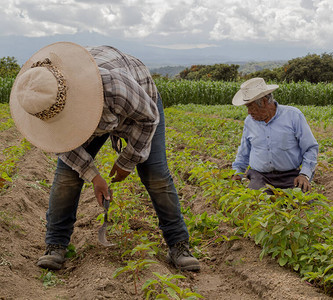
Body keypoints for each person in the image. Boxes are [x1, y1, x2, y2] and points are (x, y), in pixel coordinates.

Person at [9, 42, 200, 271]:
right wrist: (94, 177)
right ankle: (56, 244)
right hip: (97, 114)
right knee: (67, 177)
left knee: (155, 174)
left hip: (138, 107)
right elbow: (63, 146)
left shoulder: (113, 86)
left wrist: (128, 160)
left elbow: (149, 119)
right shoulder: (44, 105)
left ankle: (178, 243)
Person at [230, 78, 319, 193]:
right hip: (260, 177)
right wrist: (237, 172)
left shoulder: (293, 116)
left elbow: (310, 148)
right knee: (256, 203)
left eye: (250, 107)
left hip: (291, 176)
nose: (248, 112)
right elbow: (244, 152)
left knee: (300, 204)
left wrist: (304, 174)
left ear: (263, 102)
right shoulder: (249, 121)